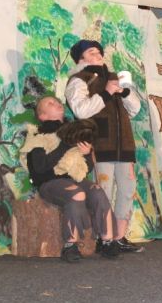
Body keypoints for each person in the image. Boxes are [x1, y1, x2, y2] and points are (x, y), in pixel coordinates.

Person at [65, 39, 144, 253]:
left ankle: (119, 237)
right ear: (81, 58)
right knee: (104, 192)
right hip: (99, 144)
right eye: (91, 52)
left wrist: (125, 92)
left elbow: (135, 110)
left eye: (98, 51)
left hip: (124, 144)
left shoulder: (113, 78)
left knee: (127, 190)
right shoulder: (79, 80)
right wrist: (106, 93)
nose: (97, 54)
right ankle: (104, 237)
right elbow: (81, 110)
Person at [21, 96, 120, 262]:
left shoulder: (74, 132)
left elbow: (85, 169)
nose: (57, 103)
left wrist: (87, 154)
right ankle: (70, 245)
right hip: (50, 183)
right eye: (50, 103)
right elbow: (39, 169)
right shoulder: (37, 136)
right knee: (76, 193)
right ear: (42, 115)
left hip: (74, 179)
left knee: (97, 191)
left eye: (57, 101)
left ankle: (107, 241)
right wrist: (64, 144)